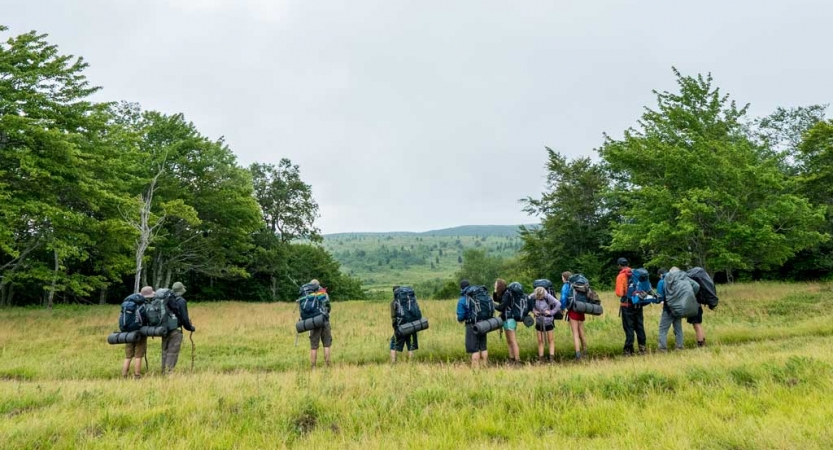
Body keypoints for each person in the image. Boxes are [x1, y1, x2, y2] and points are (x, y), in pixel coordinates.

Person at [161, 281, 196, 373]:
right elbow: (184, 318)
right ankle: (169, 372)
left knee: (165, 351)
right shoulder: (181, 301)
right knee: (172, 352)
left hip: (164, 329)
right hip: (175, 330)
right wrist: (190, 327)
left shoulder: (166, 299)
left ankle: (163, 371)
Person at [121, 286, 154, 379]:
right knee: (138, 355)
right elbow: (145, 318)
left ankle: (124, 375)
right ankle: (137, 375)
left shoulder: (128, 302)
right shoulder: (142, 304)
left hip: (127, 332)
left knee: (128, 355)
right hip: (139, 332)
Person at [616, 258, 646, 355]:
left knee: (629, 328)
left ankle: (628, 350)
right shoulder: (636, 274)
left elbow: (619, 293)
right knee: (639, 327)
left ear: (620, 265)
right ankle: (642, 348)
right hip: (638, 304)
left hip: (627, 305)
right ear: (628, 264)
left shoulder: (621, 276)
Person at [456, 279, 488, 368]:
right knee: (483, 347)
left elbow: (460, 317)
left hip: (472, 325)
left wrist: (459, 319)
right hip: (484, 323)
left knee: (474, 349)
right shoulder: (478, 295)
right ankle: (485, 366)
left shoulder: (463, 299)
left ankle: (475, 369)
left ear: (461, 288)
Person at [304, 279, 332, 368]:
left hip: (314, 322)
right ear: (318, 285)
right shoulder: (324, 294)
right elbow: (329, 308)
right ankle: (327, 365)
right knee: (327, 345)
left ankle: (313, 367)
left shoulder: (308, 295)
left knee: (314, 346)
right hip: (325, 321)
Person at [492, 279, 520, 365]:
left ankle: (517, 361)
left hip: (510, 319)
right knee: (509, 341)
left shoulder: (507, 294)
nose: (494, 285)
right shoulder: (505, 293)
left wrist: (491, 304)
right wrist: (494, 291)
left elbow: (501, 307)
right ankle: (511, 359)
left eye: (495, 284)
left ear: (499, 285)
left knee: (512, 341)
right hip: (507, 319)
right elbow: (498, 299)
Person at [561, 271, 587, 360]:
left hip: (573, 310)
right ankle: (585, 352)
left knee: (575, 333)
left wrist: (563, 308)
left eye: (562, 277)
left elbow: (563, 298)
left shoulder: (566, 286)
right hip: (581, 308)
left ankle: (578, 355)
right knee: (581, 332)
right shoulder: (578, 284)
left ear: (564, 278)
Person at [656, 268, 683, 352]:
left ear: (660, 275)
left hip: (668, 309)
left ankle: (662, 348)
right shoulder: (678, 280)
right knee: (678, 329)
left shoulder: (662, 281)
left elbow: (659, 297)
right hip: (679, 307)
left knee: (662, 329)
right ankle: (679, 347)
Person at [390, 285, 419, 363]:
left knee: (393, 345)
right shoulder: (410, 300)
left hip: (401, 327)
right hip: (412, 325)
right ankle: (411, 363)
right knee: (411, 346)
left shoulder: (394, 302)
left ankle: (393, 363)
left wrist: (395, 328)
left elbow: (394, 317)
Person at [531, 286, 560, 362]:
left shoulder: (548, 296)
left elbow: (558, 304)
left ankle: (551, 359)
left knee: (551, 340)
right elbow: (528, 302)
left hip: (548, 320)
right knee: (540, 341)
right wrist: (533, 311)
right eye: (537, 297)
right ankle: (541, 359)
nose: (538, 298)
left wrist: (551, 312)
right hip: (539, 321)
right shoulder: (533, 295)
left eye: (540, 297)